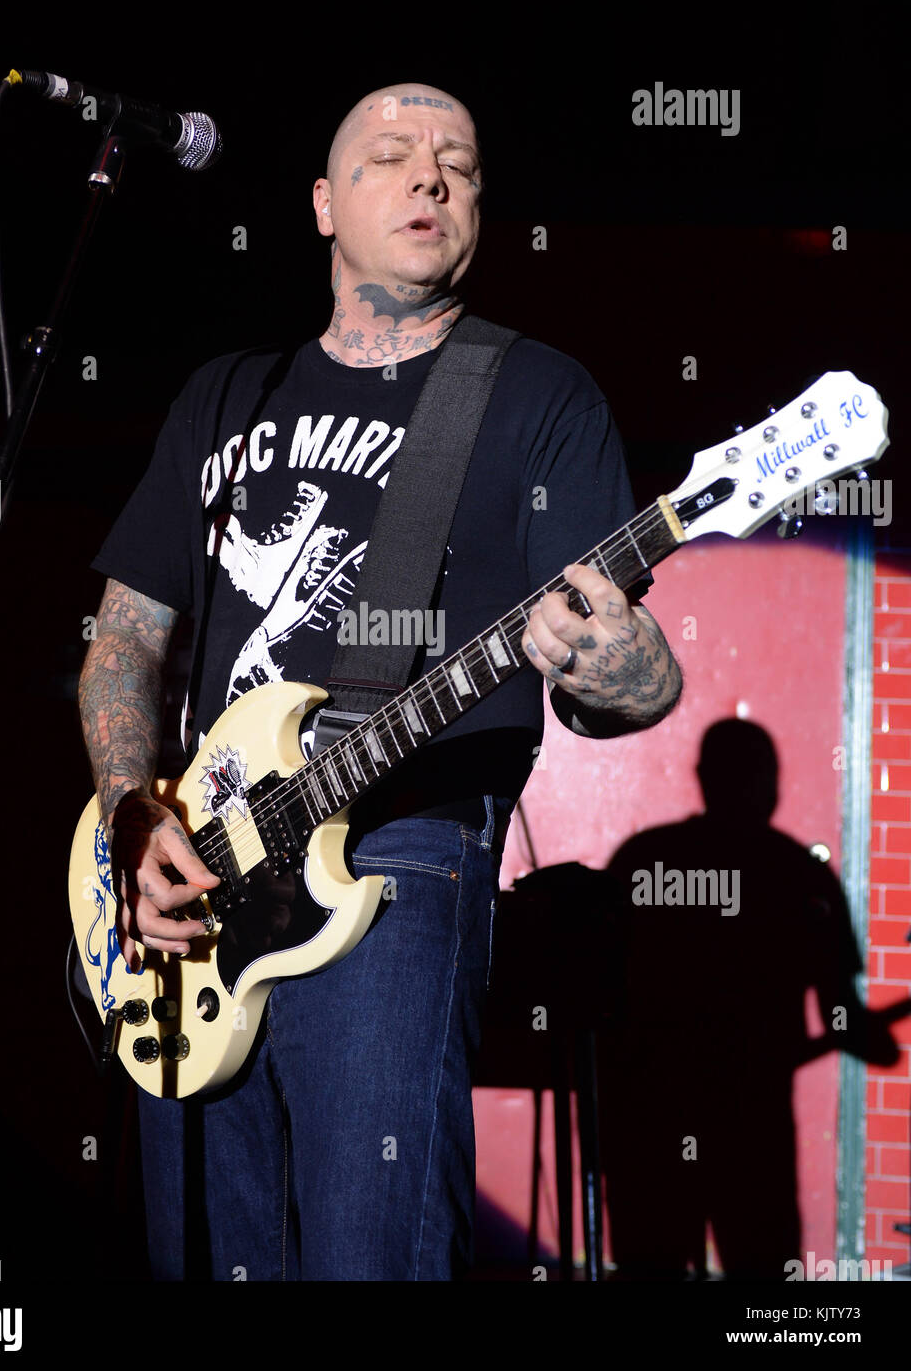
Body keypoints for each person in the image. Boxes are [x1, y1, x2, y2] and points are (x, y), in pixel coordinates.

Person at [78, 81, 683, 1281]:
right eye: (391, 156)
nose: (429, 178)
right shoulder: (226, 393)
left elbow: (617, 678)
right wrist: (127, 809)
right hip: (197, 875)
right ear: (320, 205)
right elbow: (123, 637)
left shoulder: (534, 392)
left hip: (402, 854)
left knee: (372, 1255)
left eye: (456, 161)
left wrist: (631, 669)